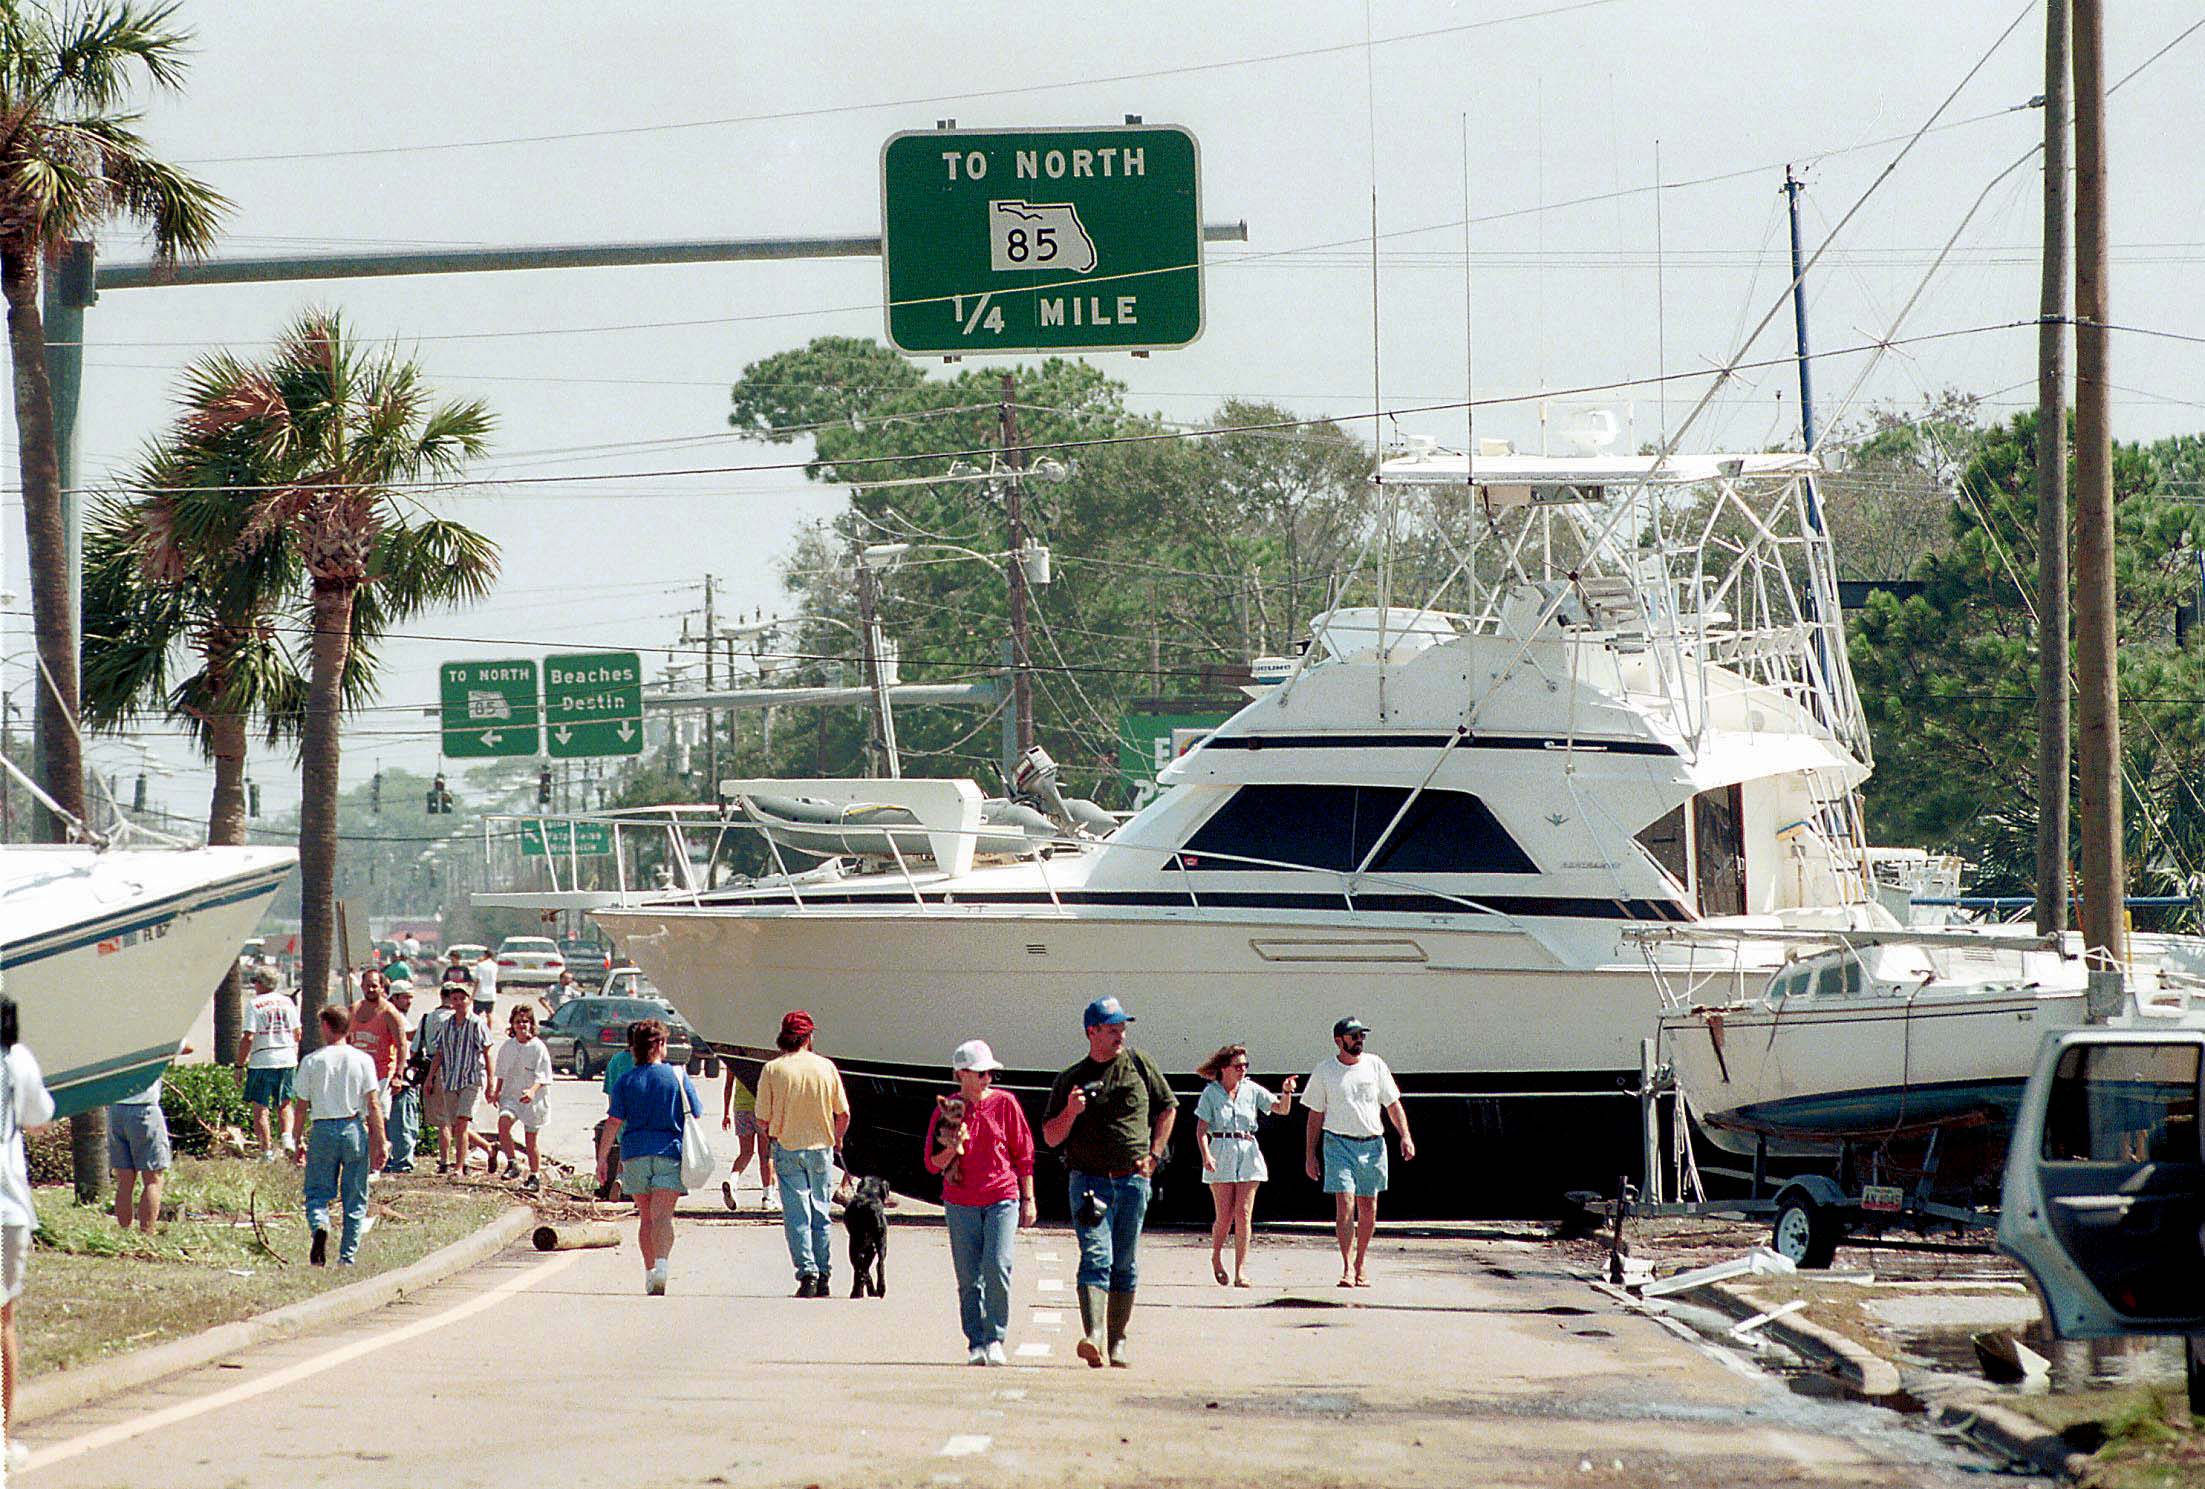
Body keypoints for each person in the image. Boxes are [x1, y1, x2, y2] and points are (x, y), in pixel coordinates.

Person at [1041, 996, 1176, 1369]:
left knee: (1125, 1262)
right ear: (1092, 1032)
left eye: (1122, 1028)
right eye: (1112, 1029)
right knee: (1096, 1256)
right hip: (1089, 1183)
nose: (1120, 1034)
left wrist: (1155, 1154)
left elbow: (1168, 1107)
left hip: (1133, 1179)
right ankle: (1095, 1335)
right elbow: (1051, 1137)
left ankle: (1118, 1339)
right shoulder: (1071, 1078)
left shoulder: (1139, 1064)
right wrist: (1071, 1111)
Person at [924, 1040, 1036, 1366]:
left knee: (997, 1266)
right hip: (960, 1200)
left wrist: (1028, 1198)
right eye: (980, 1073)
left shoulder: (1005, 1104)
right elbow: (932, 1164)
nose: (987, 1079)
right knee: (968, 1276)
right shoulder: (947, 1109)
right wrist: (952, 1148)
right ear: (961, 1074)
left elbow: (1024, 1153)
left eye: (989, 1073)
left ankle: (996, 1337)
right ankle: (976, 1340)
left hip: (1002, 1195)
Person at [1303, 1016, 1415, 1288]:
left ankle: (1360, 1261)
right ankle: (1346, 1267)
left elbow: (1392, 1104)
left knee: (1369, 1207)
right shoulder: (1324, 1071)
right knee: (1345, 1203)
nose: (1360, 1041)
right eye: (1354, 1036)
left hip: (1372, 1144)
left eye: (1362, 1036)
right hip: (1337, 1143)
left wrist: (1405, 1136)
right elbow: (1315, 1114)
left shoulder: (1375, 1065)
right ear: (1339, 1041)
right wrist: (1310, 1154)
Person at [596, 1019, 701, 1296]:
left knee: (645, 1218)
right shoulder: (677, 1077)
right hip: (669, 1152)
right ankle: (663, 1267)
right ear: (660, 1045)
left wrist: (602, 1159)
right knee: (663, 1218)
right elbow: (696, 1113)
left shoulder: (626, 1081)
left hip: (634, 1155)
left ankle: (649, 1272)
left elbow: (613, 1122)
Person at [754, 1010, 851, 1297]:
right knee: (821, 1212)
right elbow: (843, 1113)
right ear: (809, 1037)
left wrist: (772, 1133)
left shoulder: (772, 1070)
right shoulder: (826, 1067)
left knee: (797, 1214)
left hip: (787, 1146)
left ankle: (806, 1274)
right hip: (821, 1147)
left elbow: (761, 1119)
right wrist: (837, 1139)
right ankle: (824, 1275)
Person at [0, 997, 55, 1472]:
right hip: (6, 1206)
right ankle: (1, 1438)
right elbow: (39, 1116)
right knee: (2, 1323)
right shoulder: (17, 1060)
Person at [1194, 1044, 1296, 1288]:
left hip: (1248, 1150)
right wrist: (1206, 1155)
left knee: (1244, 1213)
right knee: (1224, 1216)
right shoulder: (1211, 1093)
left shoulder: (1251, 1090)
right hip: (1221, 1148)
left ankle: (1240, 1270)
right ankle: (1217, 1256)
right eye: (1237, 1066)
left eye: (1245, 1066)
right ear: (1223, 1068)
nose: (1242, 1070)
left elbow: (1281, 1109)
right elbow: (1201, 1130)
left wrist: (1286, 1092)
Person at [292, 1006, 388, 1265]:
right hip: (352, 1128)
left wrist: (296, 1139)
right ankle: (347, 1257)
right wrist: (380, 1142)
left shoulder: (311, 1061)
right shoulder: (362, 1060)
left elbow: (301, 1106)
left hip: (322, 1129)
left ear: (325, 1026)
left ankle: (320, 1224)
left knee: (317, 1193)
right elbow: (373, 1104)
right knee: (355, 1196)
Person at [111, 1040, 191, 1233]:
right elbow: (188, 1047)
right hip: (144, 1110)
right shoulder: (154, 1039)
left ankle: (124, 1232)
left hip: (116, 1109)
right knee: (153, 1178)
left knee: (125, 1180)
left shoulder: (115, 1040)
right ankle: (147, 1233)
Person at [424, 982, 491, 1176]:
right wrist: (430, 1077)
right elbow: (439, 1053)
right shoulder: (446, 1025)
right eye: (455, 998)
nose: (459, 1002)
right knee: (456, 1126)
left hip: (471, 1078)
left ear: (469, 1000)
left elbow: (487, 1052)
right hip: (451, 1079)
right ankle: (488, 1148)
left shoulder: (477, 1023)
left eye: (463, 998)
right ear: (450, 1001)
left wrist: (491, 1084)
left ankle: (460, 1166)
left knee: (462, 1123)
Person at [234, 969, 300, 1159]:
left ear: (261, 984)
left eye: (255, 982)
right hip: (286, 1057)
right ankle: (287, 1138)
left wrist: (239, 1065)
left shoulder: (254, 1004)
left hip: (262, 1060)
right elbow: (298, 1032)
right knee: (285, 1103)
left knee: (260, 1108)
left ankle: (267, 1152)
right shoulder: (287, 1002)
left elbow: (248, 1036)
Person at [490, 1005, 552, 1189]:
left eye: (525, 1021)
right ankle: (512, 1162)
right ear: (512, 1025)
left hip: (534, 1100)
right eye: (518, 1022)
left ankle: (534, 1176)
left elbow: (544, 1076)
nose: (522, 1025)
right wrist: (496, 1091)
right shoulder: (508, 1047)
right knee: (503, 1123)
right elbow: (501, 1072)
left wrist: (532, 1091)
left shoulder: (538, 1048)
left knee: (530, 1140)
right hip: (511, 1096)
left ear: (531, 1024)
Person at [719, 1068, 777, 1212]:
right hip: (761, 1109)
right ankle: (767, 1197)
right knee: (766, 1155)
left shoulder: (734, 1061)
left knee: (746, 1152)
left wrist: (726, 1113)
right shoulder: (761, 1061)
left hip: (740, 1108)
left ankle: (733, 1181)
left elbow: (728, 1086)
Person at [348, 967, 410, 1100]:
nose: (370, 990)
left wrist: (398, 1075)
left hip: (382, 1074)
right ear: (362, 986)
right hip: (357, 1074)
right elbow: (346, 1040)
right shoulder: (354, 1009)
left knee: (377, 1116)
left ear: (382, 987)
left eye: (374, 986)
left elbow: (402, 1044)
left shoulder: (389, 1012)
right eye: (367, 986)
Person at [383, 985, 423, 1173]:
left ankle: (400, 1160)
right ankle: (401, 1162)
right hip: (397, 1076)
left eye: (411, 998)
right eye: (405, 998)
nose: (409, 1002)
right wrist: (427, 1027)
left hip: (403, 1074)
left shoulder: (398, 1016)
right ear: (395, 997)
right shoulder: (394, 1017)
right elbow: (406, 1037)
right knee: (402, 1121)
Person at [471, 947, 500, 1018]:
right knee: (489, 1014)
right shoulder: (495, 966)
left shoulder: (480, 965)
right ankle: (489, 1029)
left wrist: (473, 995)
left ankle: (476, 1028)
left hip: (480, 995)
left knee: (476, 1015)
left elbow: (478, 981)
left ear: (485, 955)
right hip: (491, 994)